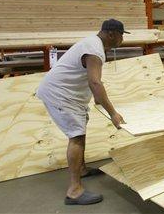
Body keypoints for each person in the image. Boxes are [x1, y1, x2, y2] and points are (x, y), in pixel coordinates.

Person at [37, 19, 128, 205]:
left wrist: (97, 99)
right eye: (121, 35)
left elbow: (90, 81)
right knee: (76, 136)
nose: (122, 40)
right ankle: (74, 191)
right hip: (61, 96)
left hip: (69, 95)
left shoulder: (93, 44)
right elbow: (95, 82)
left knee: (79, 132)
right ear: (111, 34)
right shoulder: (95, 50)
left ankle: (82, 170)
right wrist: (113, 113)